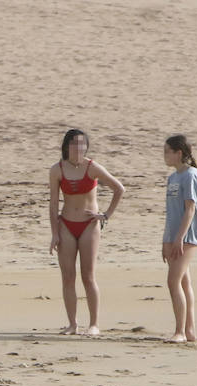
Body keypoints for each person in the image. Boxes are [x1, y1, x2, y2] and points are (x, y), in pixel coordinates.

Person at [47, 129, 124, 336]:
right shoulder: (57, 169)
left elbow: (119, 189)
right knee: (68, 276)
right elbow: (53, 204)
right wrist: (54, 233)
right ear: (66, 146)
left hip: (89, 225)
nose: (78, 148)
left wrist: (106, 215)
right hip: (66, 226)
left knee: (88, 276)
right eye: (74, 144)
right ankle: (72, 324)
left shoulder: (92, 167)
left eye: (82, 144)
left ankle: (94, 324)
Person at [161, 135, 197, 343]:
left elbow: (190, 210)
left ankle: (179, 331)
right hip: (174, 236)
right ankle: (189, 331)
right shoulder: (173, 177)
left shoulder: (191, 175)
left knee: (173, 281)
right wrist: (166, 240)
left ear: (178, 153)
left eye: (167, 151)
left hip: (187, 236)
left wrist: (179, 238)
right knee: (184, 282)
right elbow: (170, 213)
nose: (164, 156)